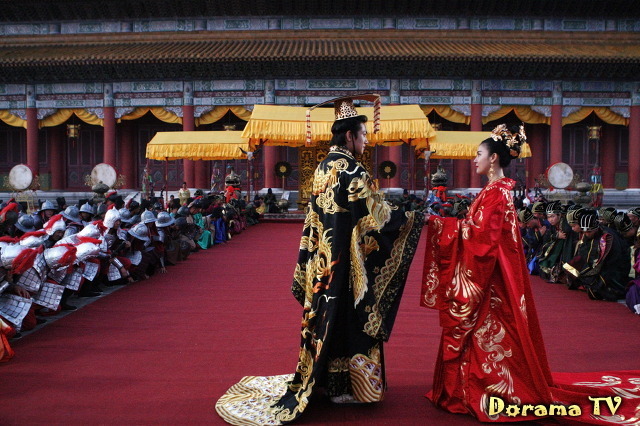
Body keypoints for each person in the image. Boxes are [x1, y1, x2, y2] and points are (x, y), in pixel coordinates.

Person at [217, 94, 424, 424]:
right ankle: (352, 388)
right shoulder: (353, 171)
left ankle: (329, 382)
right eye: (363, 135)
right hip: (349, 265)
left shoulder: (323, 167)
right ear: (349, 136)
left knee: (328, 318)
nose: (366, 141)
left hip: (322, 262)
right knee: (351, 320)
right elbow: (380, 218)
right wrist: (414, 219)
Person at [420, 124, 640, 423]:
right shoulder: (495, 190)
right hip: (493, 277)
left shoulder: (496, 193)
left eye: (479, 153)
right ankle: (468, 385)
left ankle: (481, 389)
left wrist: (440, 225)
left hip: (491, 282)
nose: (474, 159)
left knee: (488, 336)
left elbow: (480, 239)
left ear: (493, 158)